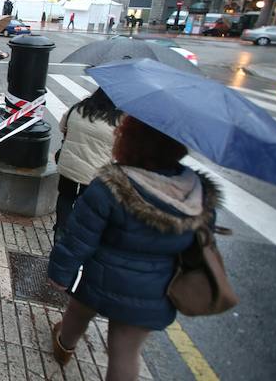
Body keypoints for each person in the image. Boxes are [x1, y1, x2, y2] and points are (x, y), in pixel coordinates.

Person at [47, 116, 221, 380]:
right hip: (154, 291)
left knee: (77, 313)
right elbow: (199, 243)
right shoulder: (197, 193)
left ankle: (64, 347)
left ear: (129, 140)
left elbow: (78, 238)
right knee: (125, 353)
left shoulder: (109, 185)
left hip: (100, 280)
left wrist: (60, 274)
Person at [53, 88, 122, 244]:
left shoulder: (78, 108)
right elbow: (120, 149)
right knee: (86, 203)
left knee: (65, 196)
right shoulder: (118, 120)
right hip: (96, 172)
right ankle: (76, 235)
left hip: (69, 163)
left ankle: (60, 231)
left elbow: (62, 127)